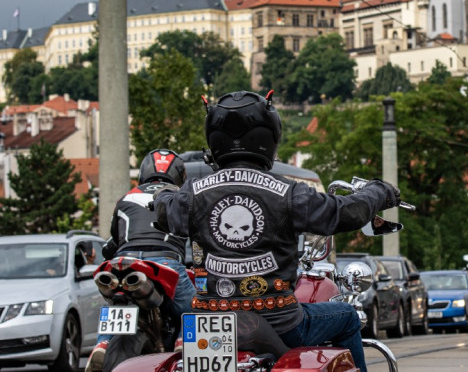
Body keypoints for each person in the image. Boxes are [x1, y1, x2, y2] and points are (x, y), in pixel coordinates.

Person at [153, 90, 400, 372]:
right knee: (347, 315)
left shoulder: (192, 193)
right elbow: (345, 212)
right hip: (280, 322)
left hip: (207, 325)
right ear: (270, 136)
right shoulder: (287, 191)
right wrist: (379, 191)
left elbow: (163, 211)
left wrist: (161, 192)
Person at [85, 149, 197, 372]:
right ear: (179, 173)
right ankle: (184, 341)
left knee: (115, 300)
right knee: (196, 307)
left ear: (144, 170)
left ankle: (103, 342)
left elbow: (113, 243)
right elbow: (199, 237)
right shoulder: (181, 197)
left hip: (124, 261)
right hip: (165, 262)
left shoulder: (126, 197)